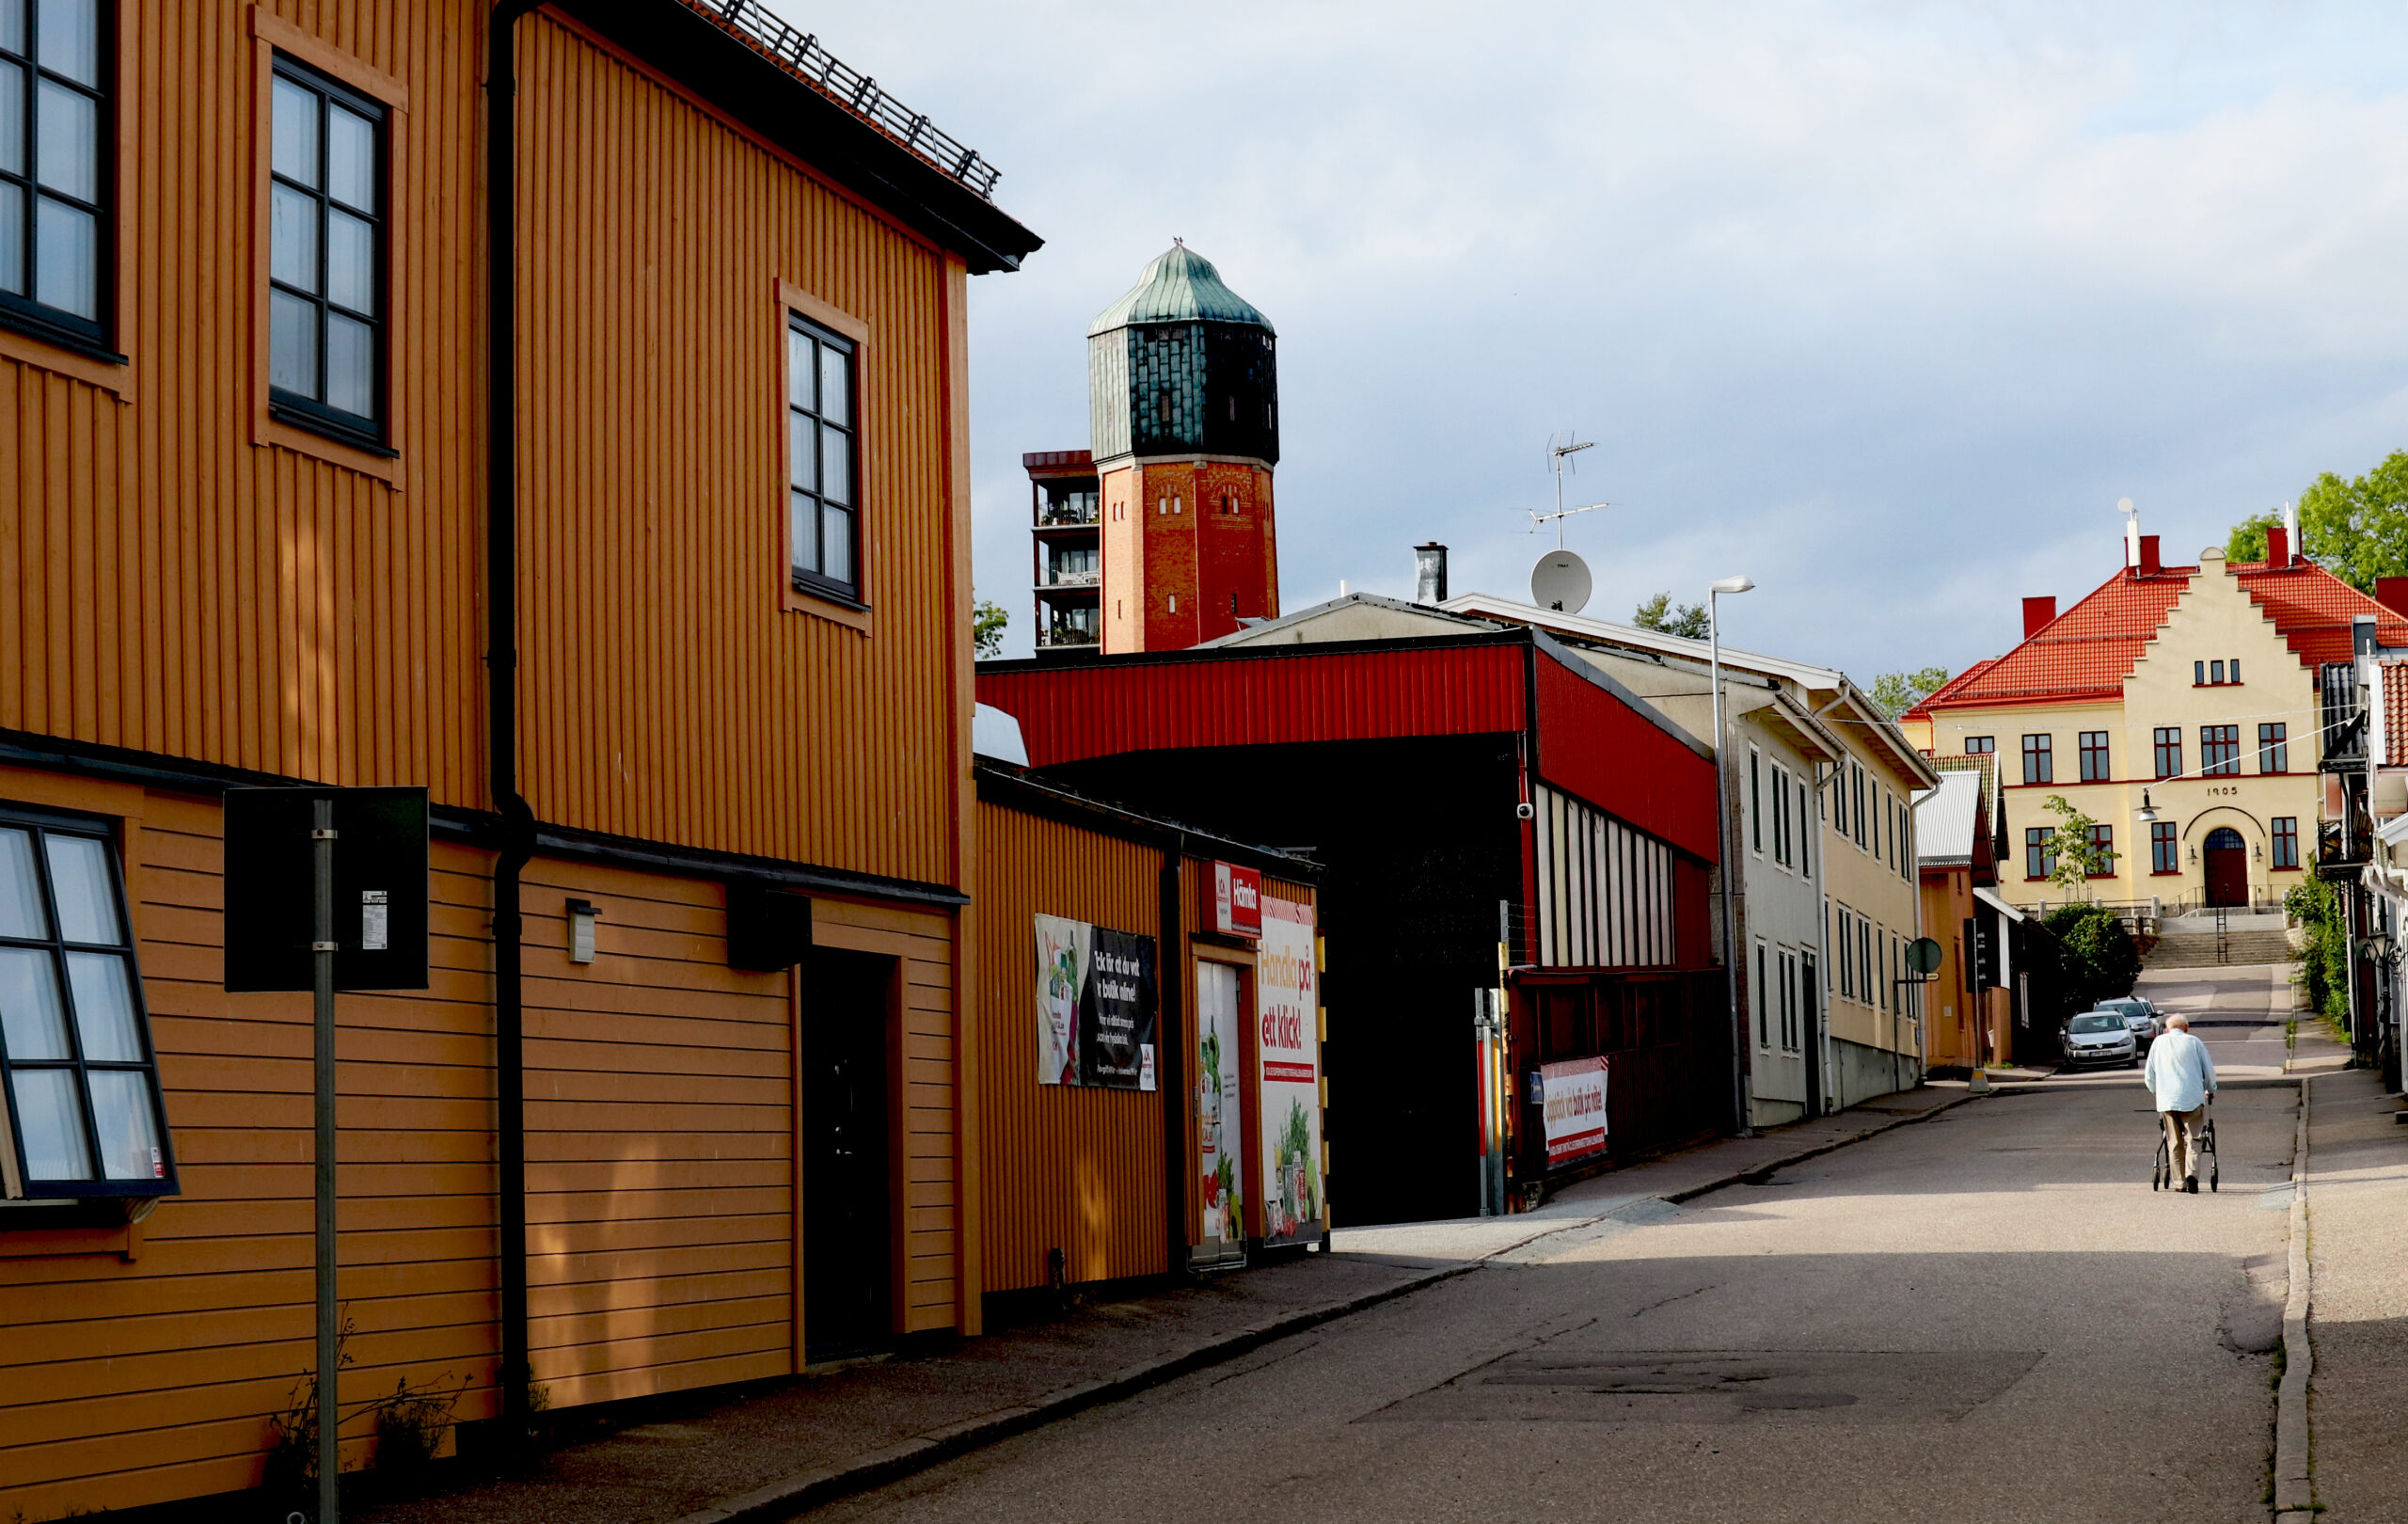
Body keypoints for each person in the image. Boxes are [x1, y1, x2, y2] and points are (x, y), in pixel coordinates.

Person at [2144, 1011, 2217, 1192]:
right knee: (2194, 1139)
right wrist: (2211, 1090)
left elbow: (2149, 1076)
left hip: (2167, 1100)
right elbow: (2208, 1072)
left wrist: (2158, 1092)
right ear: (2186, 1028)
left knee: (2174, 1142)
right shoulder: (2194, 1042)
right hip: (2192, 1097)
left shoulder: (2158, 1043)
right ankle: (2192, 1174)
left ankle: (2180, 1182)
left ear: (2167, 1029)